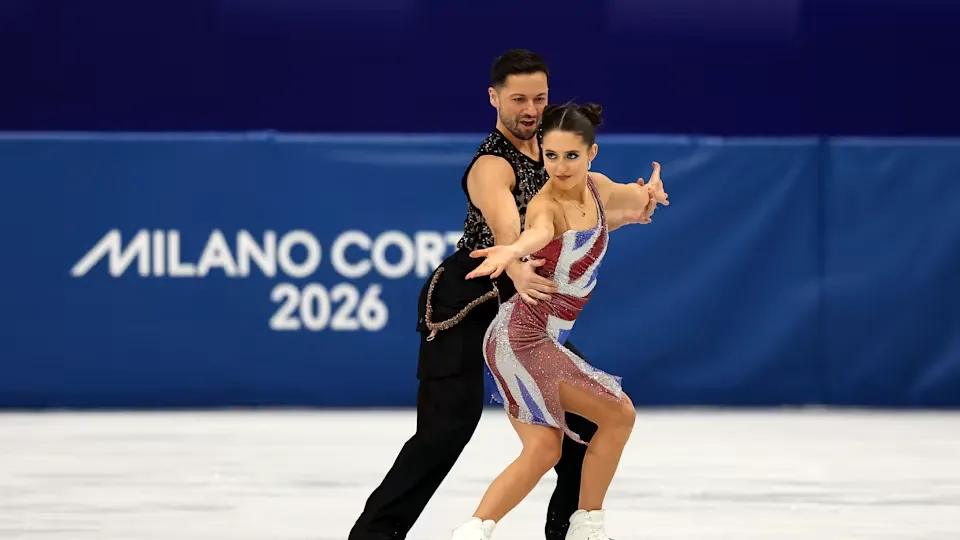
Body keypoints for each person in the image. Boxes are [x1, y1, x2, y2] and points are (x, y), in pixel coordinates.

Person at [348, 50, 657, 540]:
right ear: (494, 99)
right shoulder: (492, 164)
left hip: (526, 307)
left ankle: (568, 530)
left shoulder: (558, 154)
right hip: (467, 301)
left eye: (539, 97)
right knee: (445, 431)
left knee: (586, 423)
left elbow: (590, 212)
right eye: (518, 99)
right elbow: (508, 227)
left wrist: (637, 204)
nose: (530, 109)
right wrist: (513, 259)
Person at [448, 102, 668, 540]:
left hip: (527, 339)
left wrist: (650, 198)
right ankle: (588, 525)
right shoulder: (546, 205)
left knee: (544, 449)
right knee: (619, 414)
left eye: (571, 156)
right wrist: (511, 251)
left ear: (592, 154)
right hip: (522, 337)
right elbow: (537, 233)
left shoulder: (600, 189)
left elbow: (637, 201)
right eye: (550, 156)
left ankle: (472, 532)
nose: (560, 167)